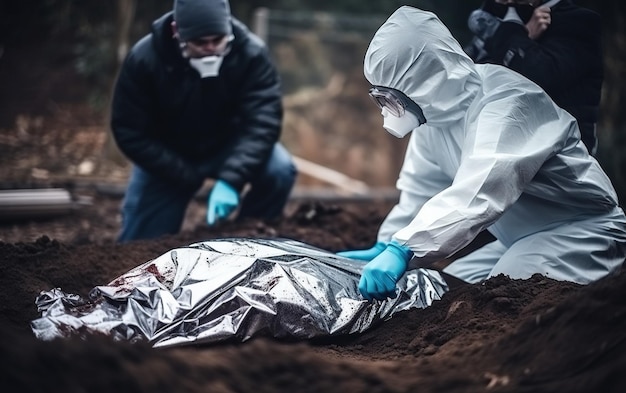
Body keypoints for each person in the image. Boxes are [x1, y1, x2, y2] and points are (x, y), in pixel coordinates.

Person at [338, 6, 626, 301]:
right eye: (381, 97)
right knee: (445, 289)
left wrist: (405, 249)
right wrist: (387, 244)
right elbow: (421, 189)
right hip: (519, 238)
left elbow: (477, 194)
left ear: (426, 80)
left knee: (501, 301)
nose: (388, 110)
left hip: (582, 233)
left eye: (391, 98)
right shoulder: (435, 118)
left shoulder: (507, 103)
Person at [110, 0, 297, 243]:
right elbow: (129, 131)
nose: (210, 49)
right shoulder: (145, 59)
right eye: (200, 42)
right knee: (138, 244)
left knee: (280, 170)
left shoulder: (251, 53)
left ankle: (250, 239)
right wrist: (185, 175)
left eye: (217, 40)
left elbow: (263, 121)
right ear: (177, 32)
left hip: (230, 146)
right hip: (168, 155)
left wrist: (231, 180)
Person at [464, 0, 603, 156]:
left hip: (562, 158)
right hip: (505, 148)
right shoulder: (505, 16)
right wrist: (520, 33)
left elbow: (541, 77)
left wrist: (516, 35)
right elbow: (472, 79)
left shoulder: (579, 20)